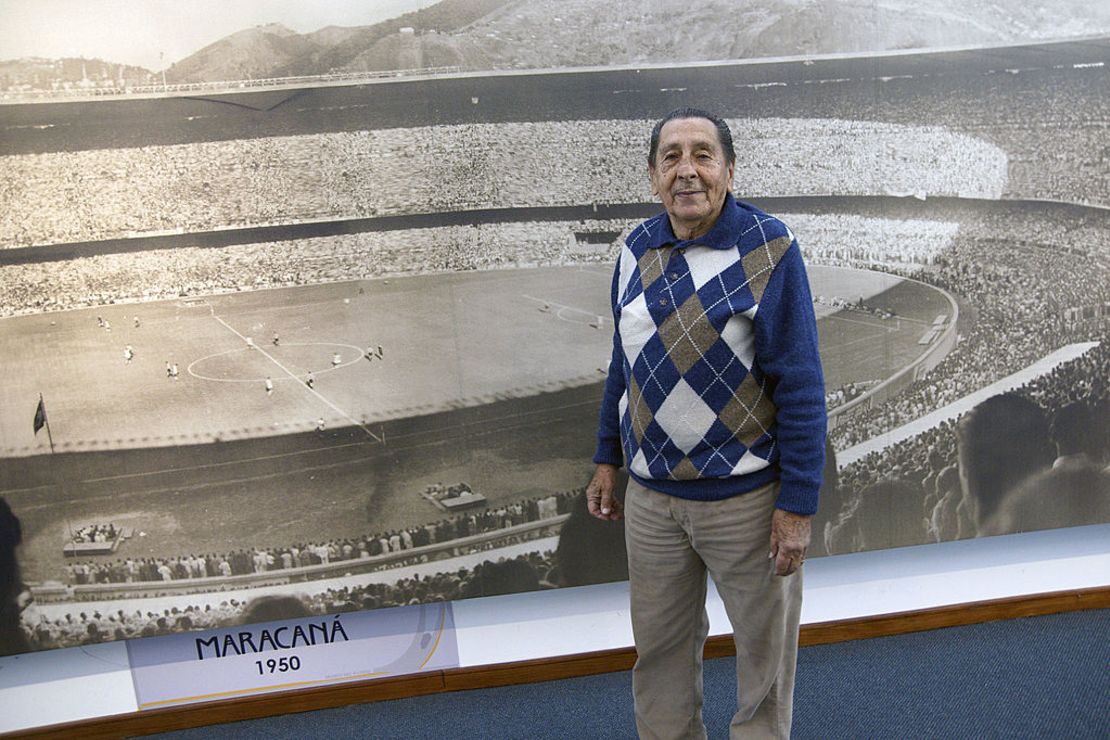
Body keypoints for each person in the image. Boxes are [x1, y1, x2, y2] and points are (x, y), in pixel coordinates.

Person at [587, 108, 826, 738]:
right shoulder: (633, 249)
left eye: (702, 154)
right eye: (671, 157)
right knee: (658, 658)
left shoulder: (770, 248)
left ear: (728, 168)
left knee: (764, 667)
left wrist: (797, 504)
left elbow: (801, 383)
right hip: (653, 502)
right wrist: (607, 457)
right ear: (652, 175)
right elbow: (625, 363)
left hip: (747, 502)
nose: (686, 170)